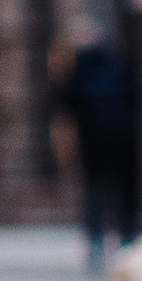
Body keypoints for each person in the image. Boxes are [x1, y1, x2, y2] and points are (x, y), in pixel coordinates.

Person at [53, 23, 138, 265]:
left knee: (95, 189)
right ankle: (127, 236)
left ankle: (97, 239)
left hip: (93, 138)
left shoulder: (79, 66)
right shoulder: (117, 61)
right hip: (123, 135)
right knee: (124, 187)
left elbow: (67, 102)